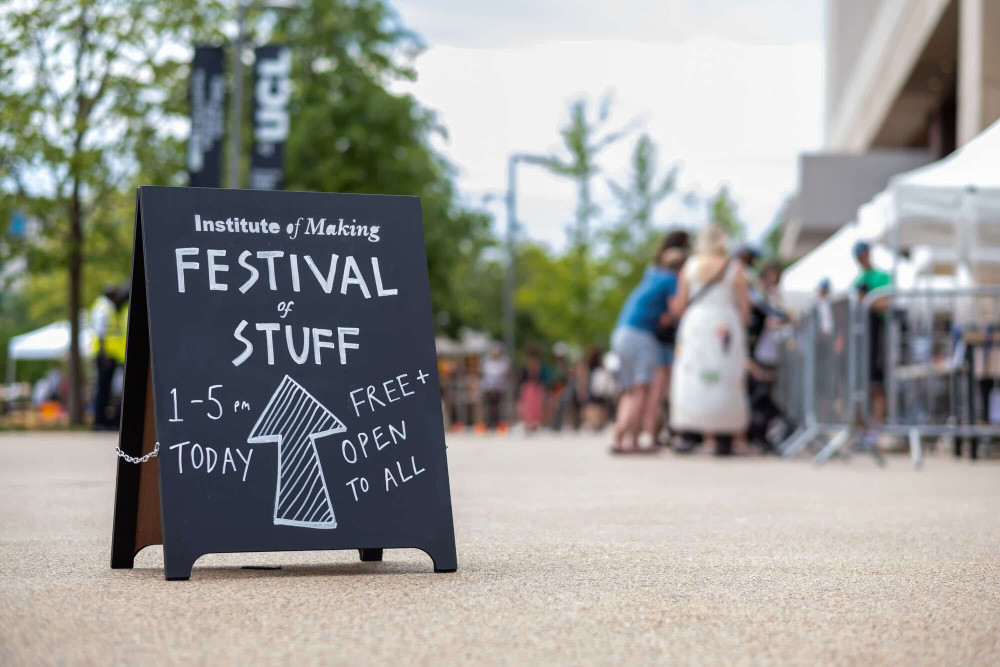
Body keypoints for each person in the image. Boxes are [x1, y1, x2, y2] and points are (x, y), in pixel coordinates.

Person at [670, 223, 750, 454]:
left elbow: (680, 304)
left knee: (692, 374)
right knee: (725, 375)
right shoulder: (734, 267)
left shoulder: (690, 266)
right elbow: (744, 307)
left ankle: (689, 433)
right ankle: (723, 435)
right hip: (724, 324)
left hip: (696, 323)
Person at [608, 230, 689, 453]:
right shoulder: (671, 279)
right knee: (642, 389)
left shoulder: (652, 275)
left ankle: (620, 436)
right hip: (640, 335)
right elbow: (677, 309)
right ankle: (634, 440)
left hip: (621, 332)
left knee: (629, 390)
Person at [853, 241, 891, 450]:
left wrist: (866, 301)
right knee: (859, 387)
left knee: (876, 386)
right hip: (860, 343)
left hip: (877, 339)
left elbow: (885, 302)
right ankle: (861, 431)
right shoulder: (857, 281)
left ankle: (873, 432)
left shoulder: (882, 277)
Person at [91, 285, 127, 430]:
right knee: (103, 388)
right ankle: (99, 421)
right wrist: (104, 354)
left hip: (110, 355)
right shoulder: (104, 308)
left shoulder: (106, 307)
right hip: (106, 355)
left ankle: (103, 420)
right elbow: (100, 333)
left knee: (106, 388)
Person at [481, 344, 510, 430]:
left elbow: (505, 374)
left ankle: (498, 422)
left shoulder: (503, 362)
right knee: (489, 406)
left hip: (499, 388)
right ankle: (489, 422)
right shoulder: (487, 362)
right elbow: (484, 374)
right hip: (489, 388)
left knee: (498, 406)